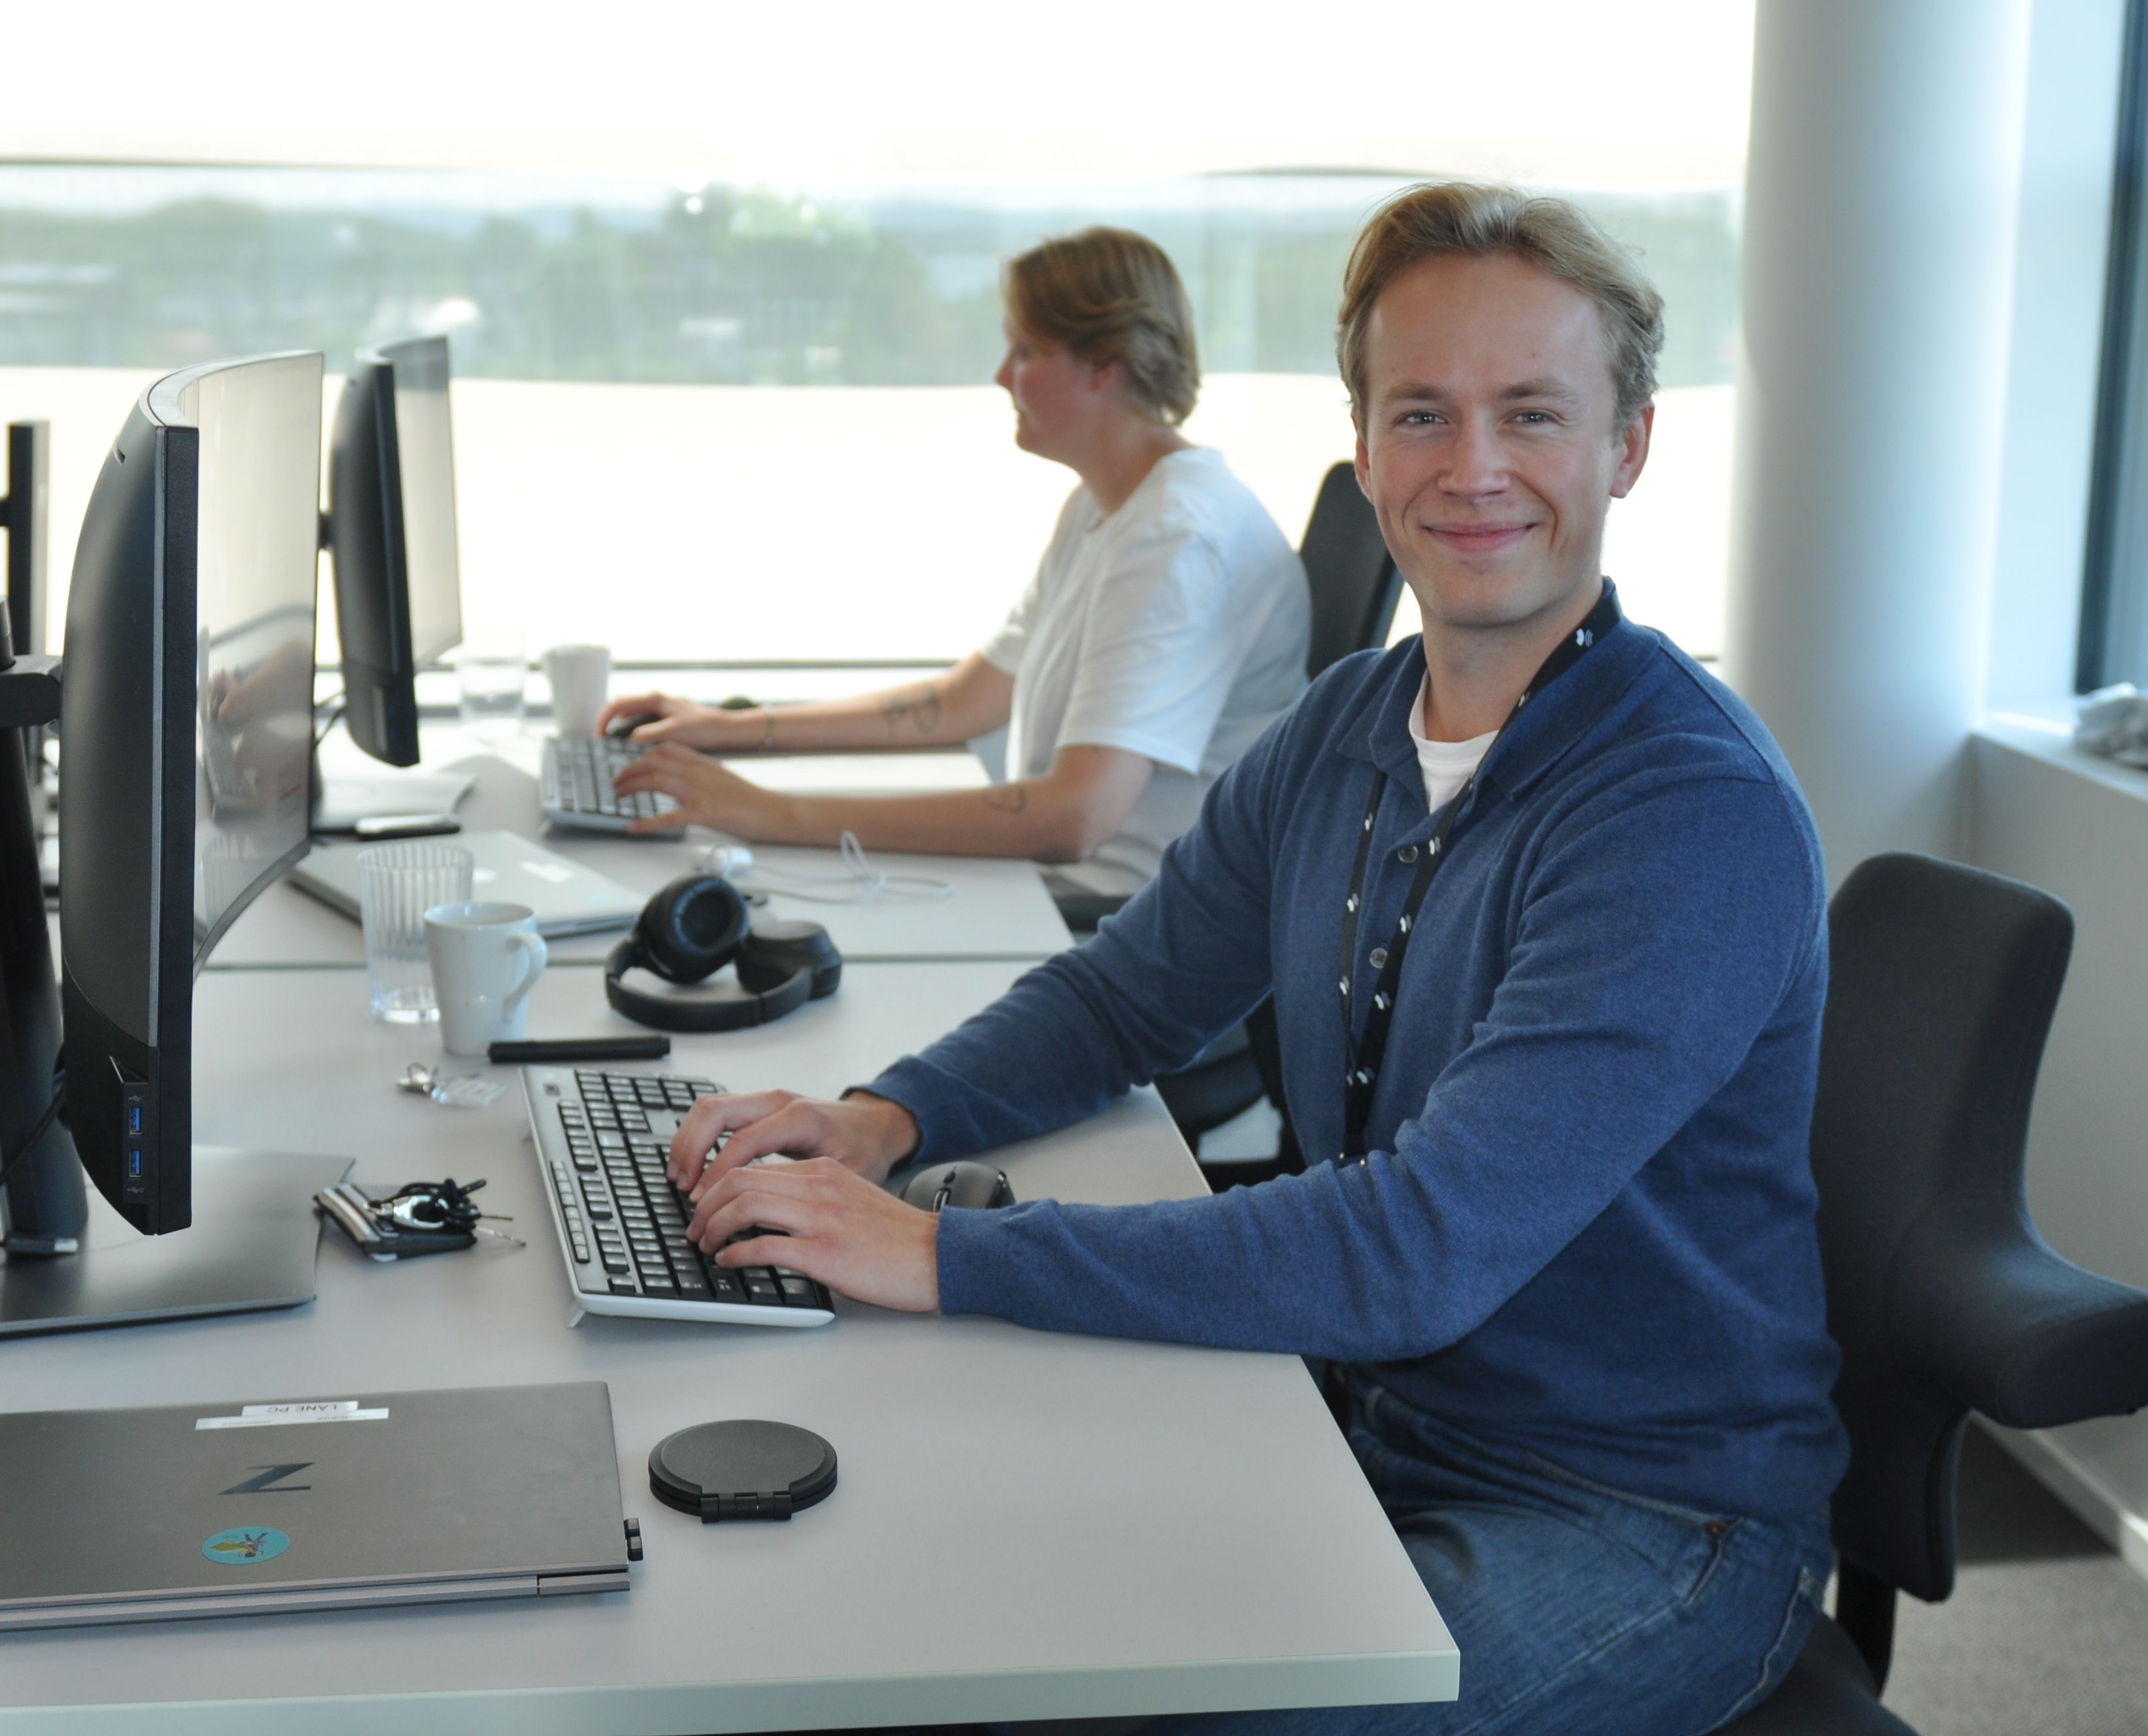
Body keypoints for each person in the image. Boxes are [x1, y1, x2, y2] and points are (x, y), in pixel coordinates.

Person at [654, 184, 1848, 1733]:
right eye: (1422, 412)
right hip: (1364, 1407)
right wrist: (886, 1120)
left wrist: (939, 1251)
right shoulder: (1351, 719)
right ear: (1362, 446)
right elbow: (1125, 991)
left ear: (1625, 444)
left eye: (1531, 413)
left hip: (1639, 1513)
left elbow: (1419, 1242)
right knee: (921, 1573)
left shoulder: (1681, 814)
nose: (1471, 467)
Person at [595, 227, 1308, 913]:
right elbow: (966, 700)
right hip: (1063, 894)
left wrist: (767, 811)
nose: (1003, 375)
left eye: (1026, 350)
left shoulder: (1178, 540)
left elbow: (1074, 815)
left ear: (1105, 365)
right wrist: (733, 728)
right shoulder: (1106, 506)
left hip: (1117, 926)